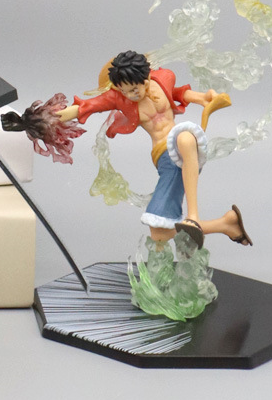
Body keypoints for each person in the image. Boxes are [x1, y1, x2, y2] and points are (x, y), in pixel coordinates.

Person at [55, 50, 252, 250]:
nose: (130, 95)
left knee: (185, 138)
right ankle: (226, 224)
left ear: (146, 79)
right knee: (159, 234)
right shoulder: (120, 98)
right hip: (163, 156)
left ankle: (193, 215)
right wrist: (48, 119)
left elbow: (178, 93)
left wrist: (204, 98)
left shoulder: (162, 79)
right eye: (125, 91)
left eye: (134, 89)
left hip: (184, 148)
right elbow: (85, 107)